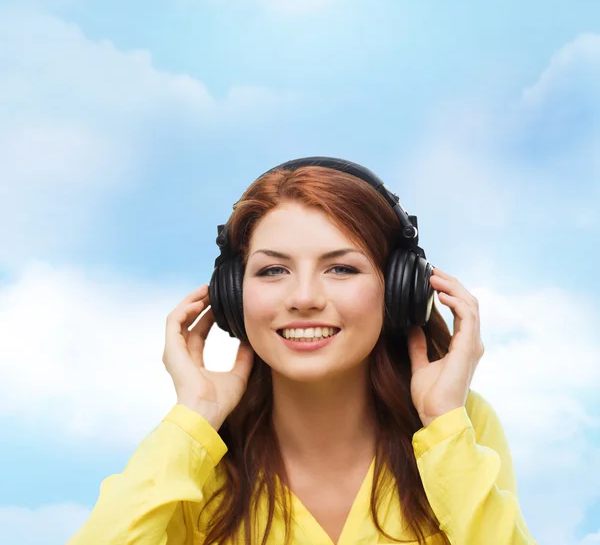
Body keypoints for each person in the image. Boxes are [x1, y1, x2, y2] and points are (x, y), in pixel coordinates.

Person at [67, 158, 537, 545]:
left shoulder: (459, 424)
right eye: (273, 271)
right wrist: (192, 421)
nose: (304, 297)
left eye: (341, 269)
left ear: (400, 290)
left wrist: (444, 425)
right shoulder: (192, 451)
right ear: (231, 294)